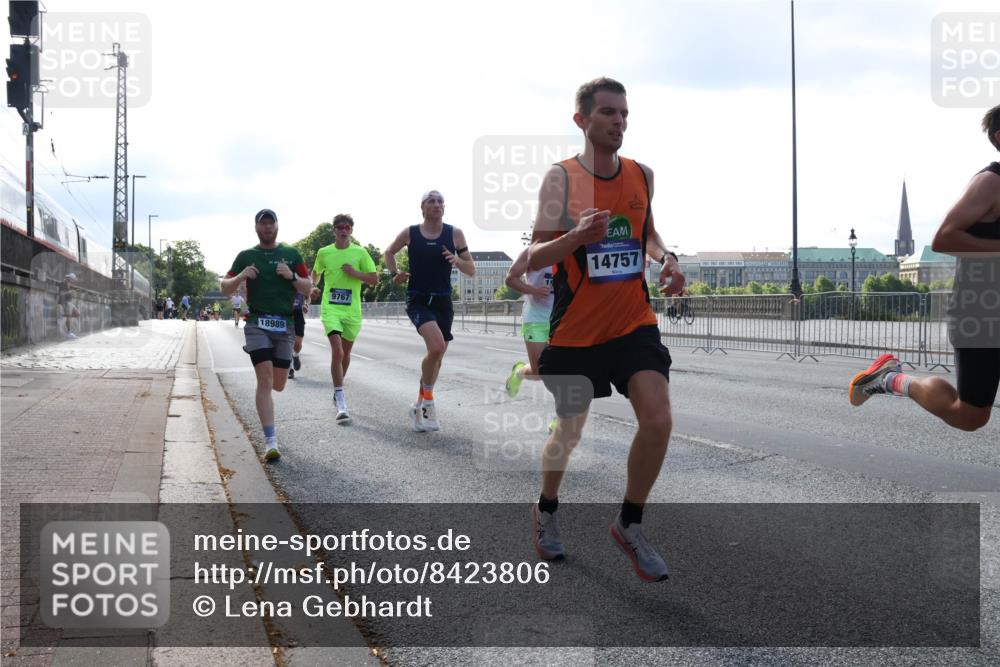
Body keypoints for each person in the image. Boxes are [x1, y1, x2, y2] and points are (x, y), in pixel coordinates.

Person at [526, 78, 685, 581]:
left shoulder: (642, 174)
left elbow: (648, 234)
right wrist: (576, 236)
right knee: (569, 429)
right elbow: (534, 256)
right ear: (582, 121)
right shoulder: (562, 180)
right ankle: (547, 508)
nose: (619, 121)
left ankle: (630, 524)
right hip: (575, 331)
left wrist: (667, 259)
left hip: (632, 322)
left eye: (624, 113)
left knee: (658, 419)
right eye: (608, 113)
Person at [850, 104, 1000, 432]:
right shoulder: (991, 182)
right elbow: (944, 238)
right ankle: (891, 378)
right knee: (970, 415)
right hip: (982, 314)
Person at [221, 208, 313, 461]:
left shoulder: (291, 253)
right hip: (257, 322)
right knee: (264, 379)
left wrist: (292, 276)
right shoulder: (247, 255)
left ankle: (281, 363)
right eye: (263, 224)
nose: (267, 227)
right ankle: (270, 441)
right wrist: (241, 275)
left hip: (284, 325)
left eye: (271, 223)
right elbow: (224, 288)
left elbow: (308, 288)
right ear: (256, 227)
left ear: (277, 227)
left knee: (279, 384)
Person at [384, 191, 475, 432]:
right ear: (422, 207)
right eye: (431, 201)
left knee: (437, 358)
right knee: (435, 347)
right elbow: (388, 252)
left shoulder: (454, 233)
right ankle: (429, 403)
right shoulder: (410, 233)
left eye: (440, 201)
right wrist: (395, 275)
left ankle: (418, 405)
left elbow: (471, 269)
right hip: (419, 299)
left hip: (444, 302)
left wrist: (458, 262)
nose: (437, 205)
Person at [310, 214, 377, 422]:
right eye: (339, 227)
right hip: (331, 309)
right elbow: (315, 272)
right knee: (337, 351)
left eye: (347, 227)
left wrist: (354, 273)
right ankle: (341, 399)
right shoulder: (324, 252)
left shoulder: (360, 252)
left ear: (351, 230)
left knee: (345, 354)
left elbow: (375, 279)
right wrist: (313, 285)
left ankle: (337, 388)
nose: (343, 230)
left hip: (352, 311)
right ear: (334, 230)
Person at [504, 247, 557, 433]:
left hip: (562, 318)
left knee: (564, 367)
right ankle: (519, 372)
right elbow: (510, 278)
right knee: (540, 371)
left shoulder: (572, 248)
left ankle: (561, 417)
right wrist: (533, 290)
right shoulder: (531, 252)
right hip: (536, 318)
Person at [287, 292, 309, 379]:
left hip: (298, 313)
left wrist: (305, 304)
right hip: (285, 313)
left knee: (297, 344)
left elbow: (308, 296)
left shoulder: (301, 280)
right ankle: (289, 369)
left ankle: (295, 355)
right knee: (286, 343)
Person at [58, 273, 81, 339]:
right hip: (64, 302)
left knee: (77, 313)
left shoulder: (69, 284)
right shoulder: (63, 284)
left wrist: (75, 290)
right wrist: (70, 292)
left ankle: (63, 317)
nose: (74, 281)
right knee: (68, 316)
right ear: (70, 279)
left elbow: (72, 290)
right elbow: (61, 293)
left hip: (69, 303)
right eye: (73, 280)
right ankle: (69, 333)